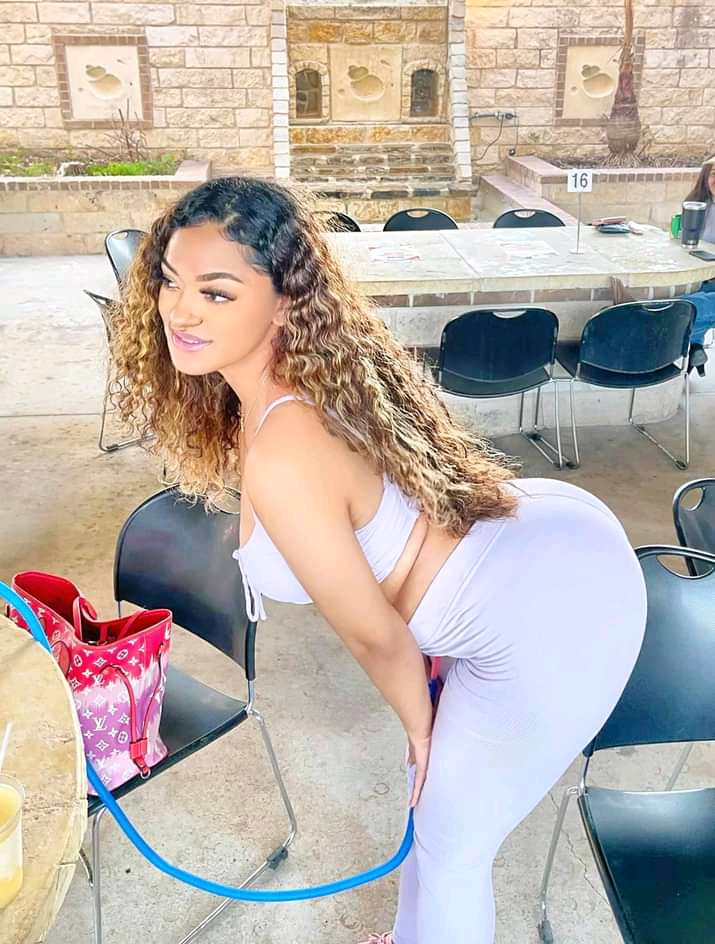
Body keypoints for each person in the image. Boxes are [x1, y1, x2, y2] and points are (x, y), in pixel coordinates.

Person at [111, 177, 647, 944]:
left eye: (216, 292)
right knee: (431, 814)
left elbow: (374, 634)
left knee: (452, 846)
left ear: (285, 303)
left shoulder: (286, 446)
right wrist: (422, 717)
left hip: (557, 601)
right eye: (170, 282)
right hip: (523, 552)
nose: (180, 311)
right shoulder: (282, 387)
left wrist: (421, 730)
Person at [682, 156, 715, 374]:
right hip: (707, 280)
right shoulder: (701, 205)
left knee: (683, 306)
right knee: (693, 297)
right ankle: (695, 348)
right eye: (714, 174)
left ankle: (694, 346)